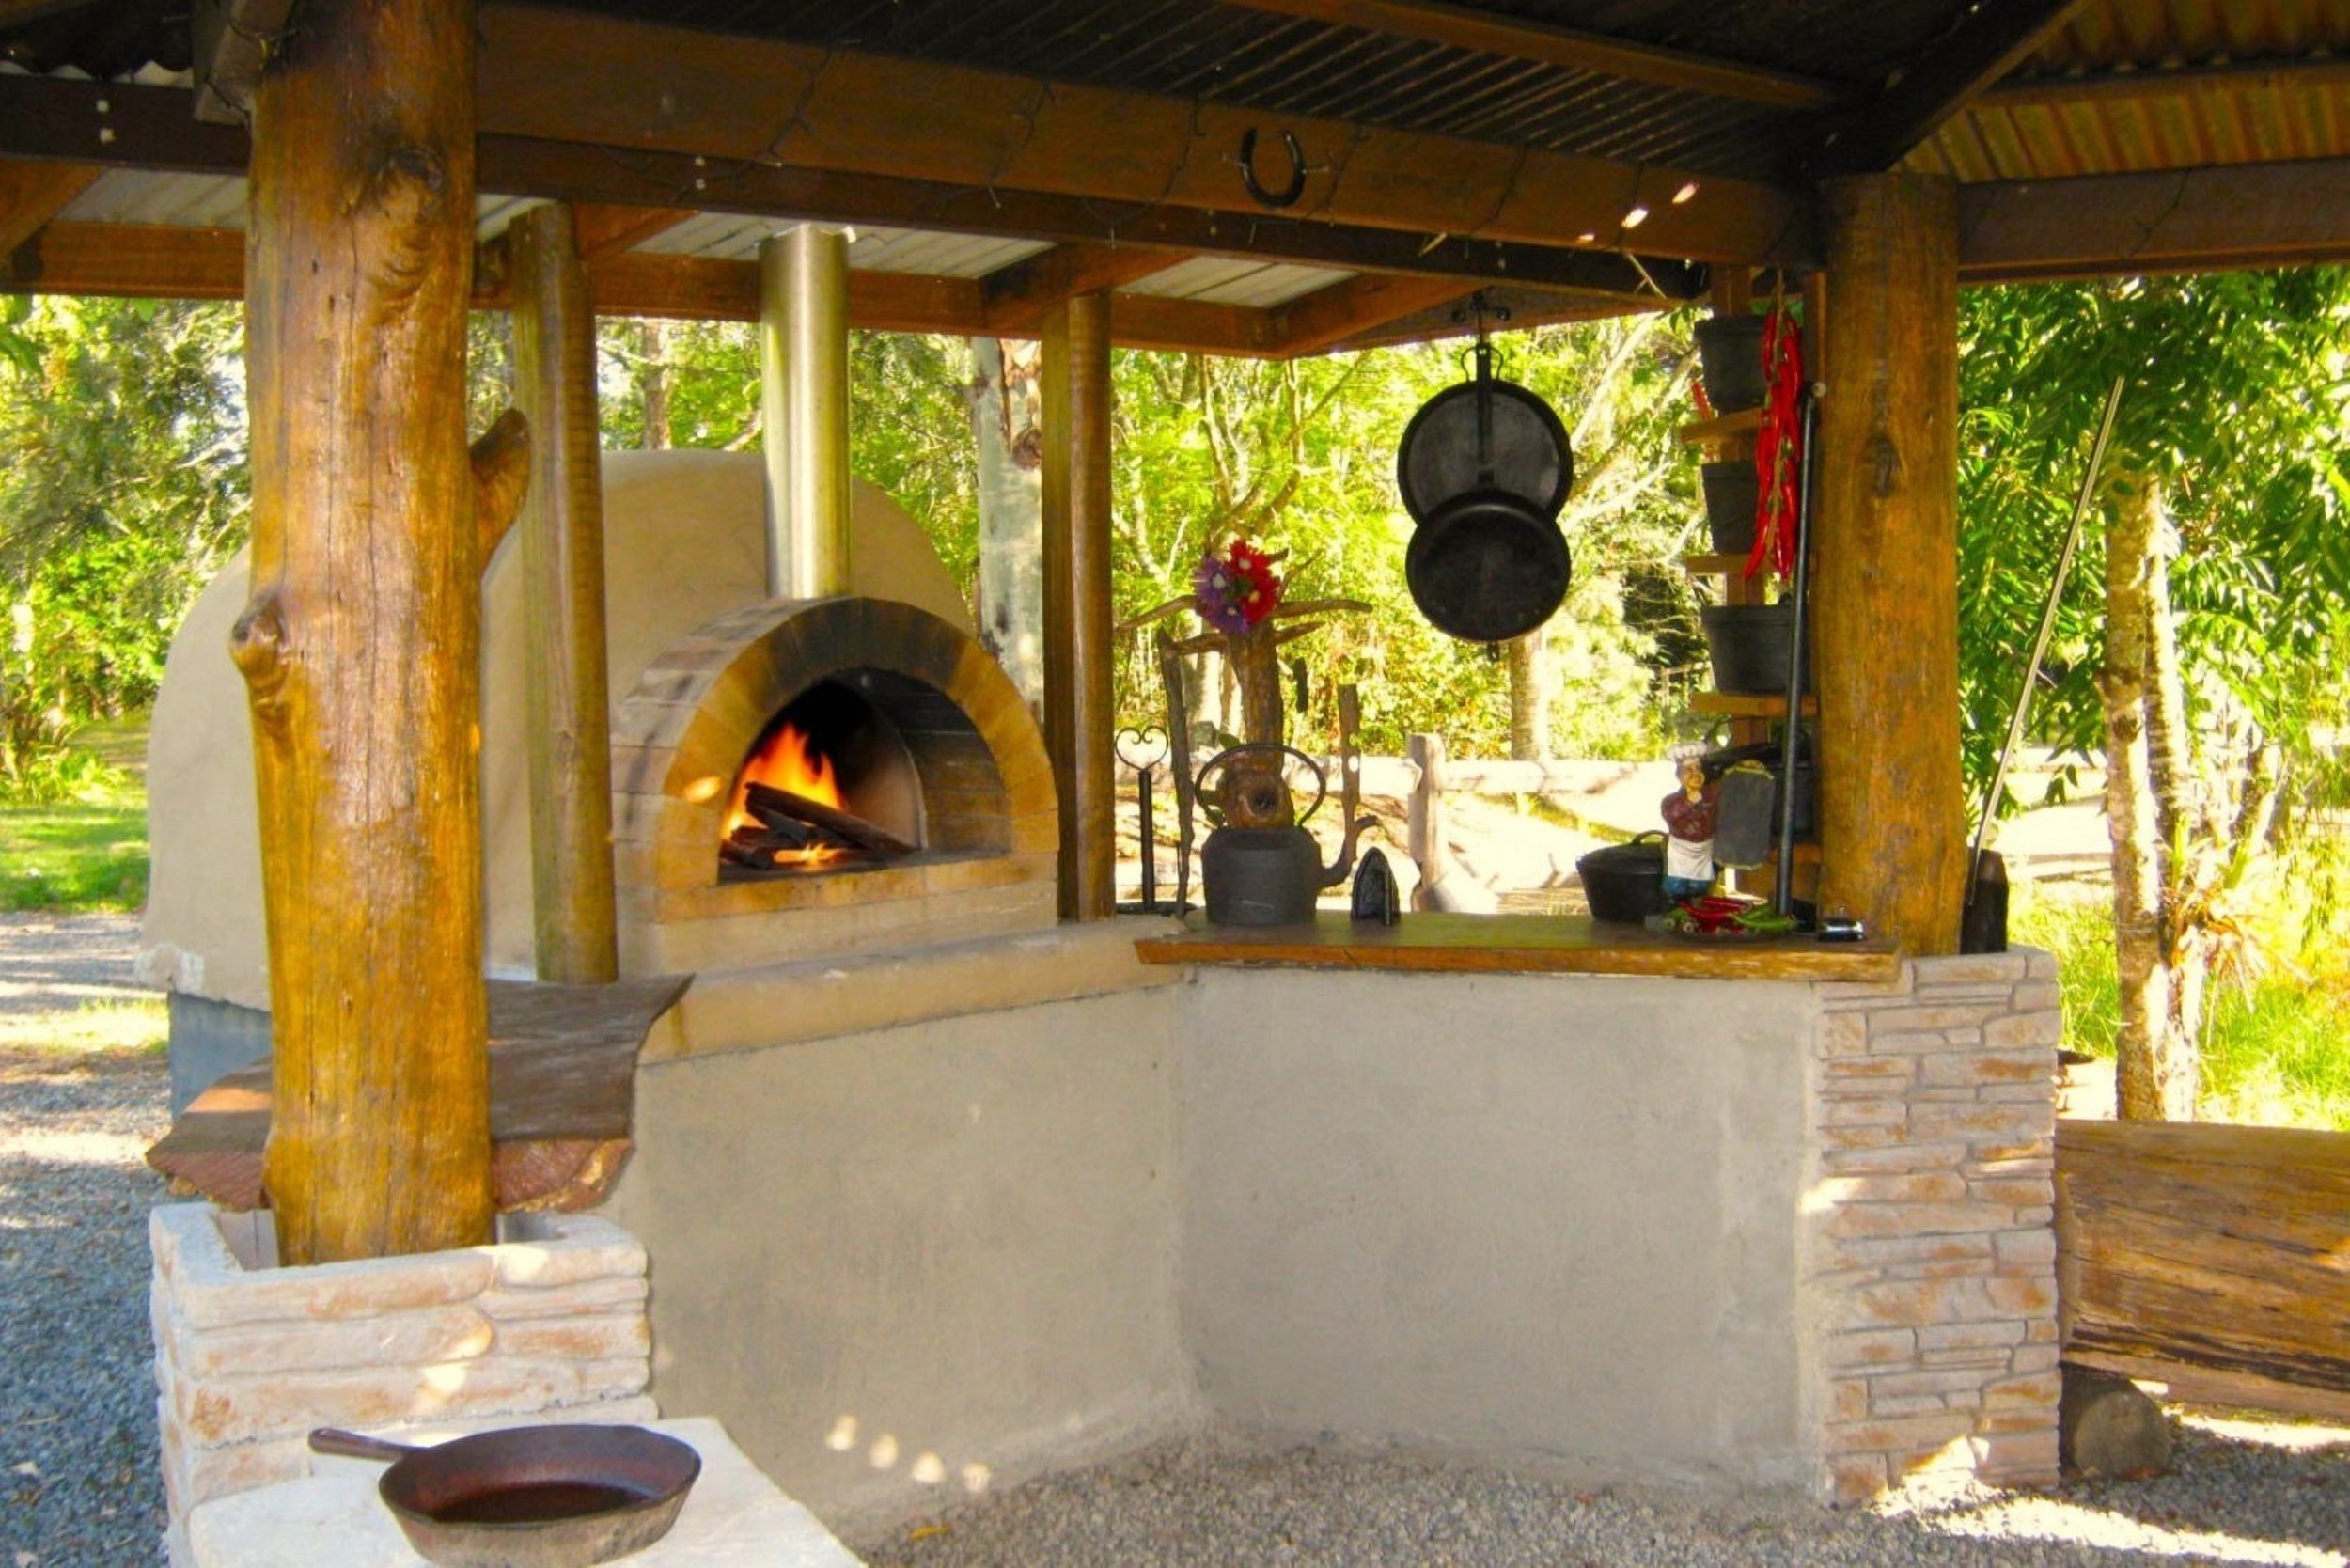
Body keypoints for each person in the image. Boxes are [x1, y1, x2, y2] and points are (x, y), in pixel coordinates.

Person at [1660, 748, 1718, 901]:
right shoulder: (1671, 800)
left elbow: (1727, 788)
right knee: (1676, 884)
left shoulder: (1711, 794)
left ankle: (1696, 908)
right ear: (1679, 776)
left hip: (1704, 849)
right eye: (1688, 770)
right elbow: (1671, 815)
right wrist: (1688, 802)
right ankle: (1675, 907)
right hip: (1681, 849)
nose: (1695, 773)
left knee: (1700, 884)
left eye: (1698, 769)